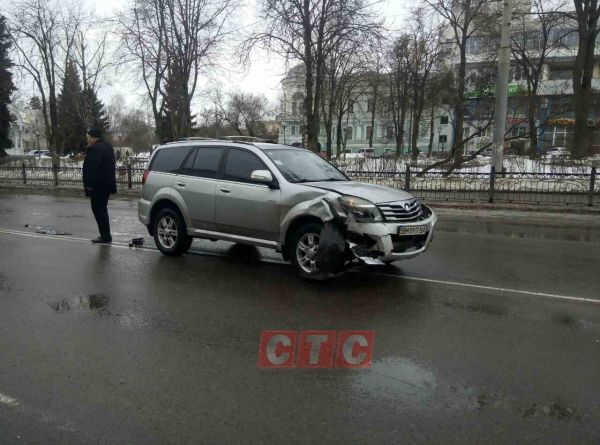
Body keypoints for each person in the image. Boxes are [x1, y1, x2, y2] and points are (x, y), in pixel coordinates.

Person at [83, 128, 117, 243]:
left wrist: (89, 185)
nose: (88, 140)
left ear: (93, 137)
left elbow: (93, 168)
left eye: (88, 137)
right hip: (107, 184)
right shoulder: (108, 146)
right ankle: (106, 235)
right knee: (102, 209)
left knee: (98, 210)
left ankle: (105, 236)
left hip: (97, 186)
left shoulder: (94, 148)